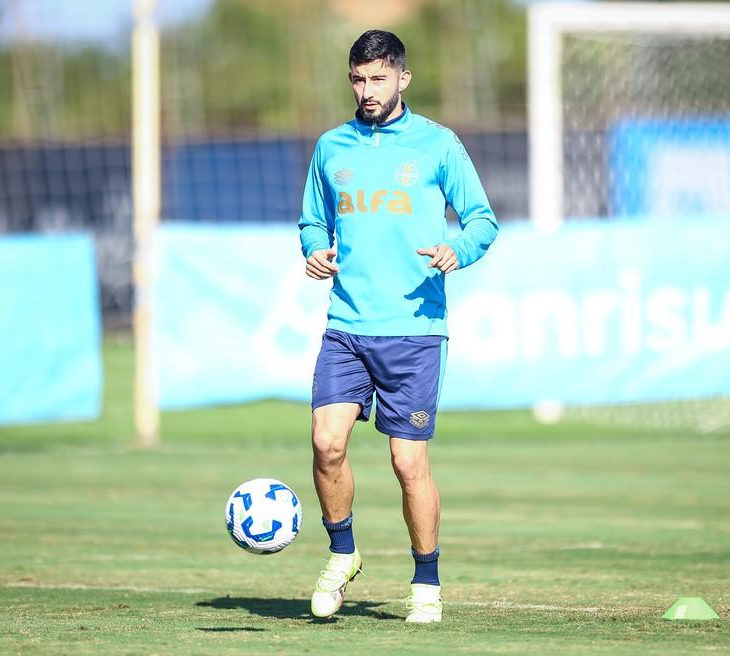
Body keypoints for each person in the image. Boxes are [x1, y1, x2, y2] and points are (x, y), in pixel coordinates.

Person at [298, 29, 498, 623]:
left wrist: (456, 250)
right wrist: (315, 250)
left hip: (414, 330)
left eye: (378, 78)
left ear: (402, 79)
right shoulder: (332, 147)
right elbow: (312, 220)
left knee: (407, 463)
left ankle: (427, 584)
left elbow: (483, 220)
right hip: (347, 326)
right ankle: (342, 553)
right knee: (325, 443)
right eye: (358, 79)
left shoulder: (437, 145)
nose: (367, 90)